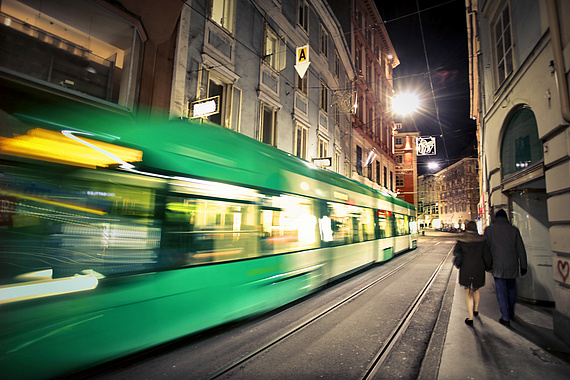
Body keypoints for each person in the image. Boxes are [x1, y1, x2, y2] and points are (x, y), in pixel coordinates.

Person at [484, 209, 528, 327]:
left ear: (495, 218)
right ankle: (511, 312)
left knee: (501, 291)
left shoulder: (489, 230)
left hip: (497, 265)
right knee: (511, 288)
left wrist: (487, 264)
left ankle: (505, 317)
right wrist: (523, 265)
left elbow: (486, 250)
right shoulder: (514, 230)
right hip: (512, 264)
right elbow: (521, 249)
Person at [453, 221, 493, 326]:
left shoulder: (461, 240)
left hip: (466, 268)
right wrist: (489, 267)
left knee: (468, 291)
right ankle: (476, 309)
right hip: (478, 267)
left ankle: (470, 317)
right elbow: (486, 256)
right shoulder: (482, 240)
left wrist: (458, 263)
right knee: (476, 289)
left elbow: (456, 253)